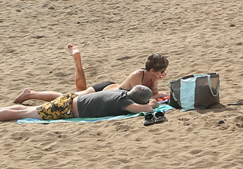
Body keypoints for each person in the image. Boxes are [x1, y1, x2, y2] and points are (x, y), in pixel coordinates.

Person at [15, 47, 169, 104]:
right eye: (161, 72)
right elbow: (139, 98)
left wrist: (159, 89)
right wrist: (159, 95)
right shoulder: (138, 75)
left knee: (79, 89)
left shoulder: (152, 77)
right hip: (105, 90)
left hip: (111, 90)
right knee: (68, 98)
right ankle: (30, 93)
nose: (164, 74)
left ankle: (78, 62)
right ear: (152, 70)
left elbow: (153, 94)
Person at [0, 86, 155, 123]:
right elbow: (146, 109)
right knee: (23, 114)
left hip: (68, 100)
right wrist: (152, 104)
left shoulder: (119, 92)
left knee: (27, 110)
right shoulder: (124, 102)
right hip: (66, 109)